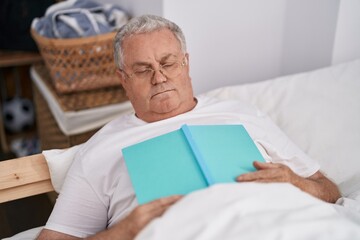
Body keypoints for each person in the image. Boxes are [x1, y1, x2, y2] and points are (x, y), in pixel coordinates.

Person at [37, 15, 341, 240]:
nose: (159, 78)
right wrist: (126, 230)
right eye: (143, 70)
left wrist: (293, 181)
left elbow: (329, 191)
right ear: (123, 80)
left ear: (186, 63)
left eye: (168, 63)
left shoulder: (242, 114)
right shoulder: (99, 150)